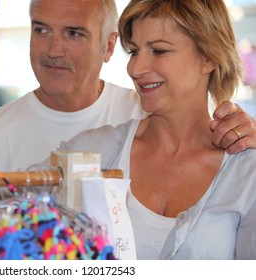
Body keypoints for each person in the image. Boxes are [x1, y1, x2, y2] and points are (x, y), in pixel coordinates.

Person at [0, 0, 256, 172]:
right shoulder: (100, 143)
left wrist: (244, 133)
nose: (53, 49)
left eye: (73, 33)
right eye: (41, 29)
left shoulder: (149, 113)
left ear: (108, 47)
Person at [56, 0, 256, 259]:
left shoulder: (246, 170)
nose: (135, 69)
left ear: (208, 57)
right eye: (134, 51)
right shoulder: (90, 152)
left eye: (159, 51)